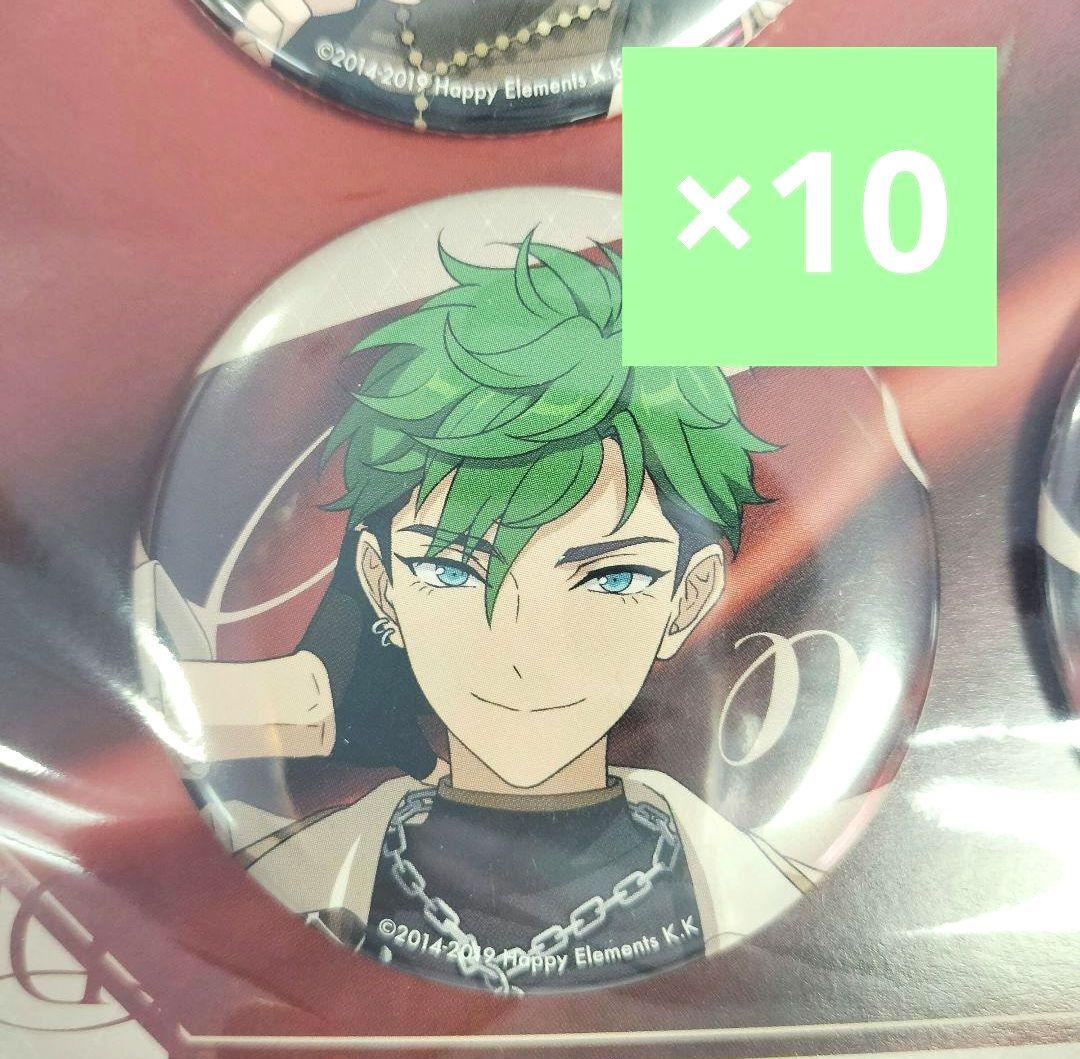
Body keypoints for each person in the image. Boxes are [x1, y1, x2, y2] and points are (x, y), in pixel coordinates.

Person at [165, 236, 815, 994]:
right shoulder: (277, 878)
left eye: (612, 578)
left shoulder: (772, 896)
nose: (522, 654)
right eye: (450, 571)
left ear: (687, 596)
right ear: (381, 583)